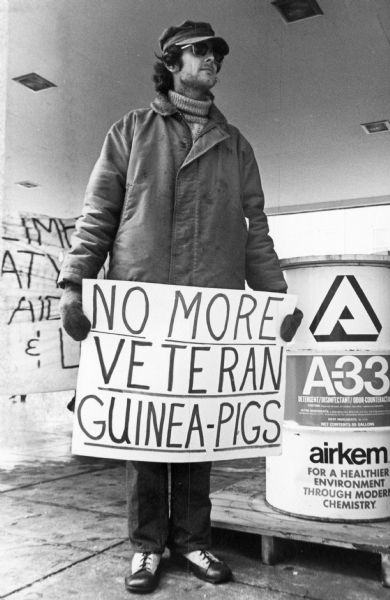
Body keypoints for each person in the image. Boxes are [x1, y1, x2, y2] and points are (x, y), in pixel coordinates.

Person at [58, 20, 303, 595]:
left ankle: (193, 541)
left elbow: (255, 231)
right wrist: (74, 283)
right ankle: (146, 547)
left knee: (199, 431)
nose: (212, 59)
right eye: (199, 52)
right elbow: (98, 215)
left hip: (209, 312)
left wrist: (275, 302)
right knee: (144, 436)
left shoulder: (236, 144)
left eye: (216, 52)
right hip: (141, 309)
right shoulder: (130, 131)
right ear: (171, 62)